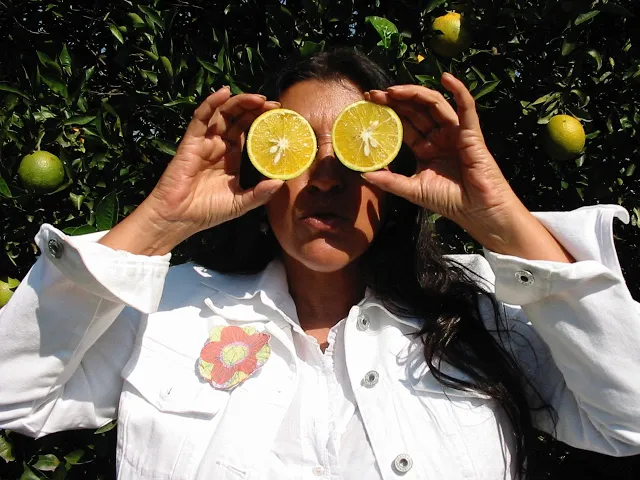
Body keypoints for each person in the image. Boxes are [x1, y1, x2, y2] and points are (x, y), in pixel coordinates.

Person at [0, 49, 638, 480]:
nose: (326, 180)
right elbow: (13, 398)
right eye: (297, 149)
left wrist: (497, 214)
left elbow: (628, 418)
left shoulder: (484, 309)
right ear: (263, 168)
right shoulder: (166, 312)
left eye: (357, 153)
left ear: (393, 176)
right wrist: (162, 221)